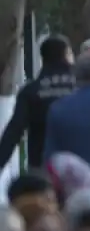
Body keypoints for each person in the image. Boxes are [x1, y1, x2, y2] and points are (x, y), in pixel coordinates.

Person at [0, 34, 75, 170]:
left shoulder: (31, 90)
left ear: (43, 58)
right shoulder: (82, 87)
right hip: (79, 167)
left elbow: (14, 131)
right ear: (66, 54)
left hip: (42, 167)